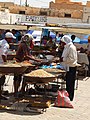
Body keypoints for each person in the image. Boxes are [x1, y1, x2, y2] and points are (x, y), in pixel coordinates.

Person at [60, 35, 78, 101]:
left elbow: (72, 59)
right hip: (68, 67)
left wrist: (63, 59)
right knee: (68, 83)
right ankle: (67, 96)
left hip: (71, 67)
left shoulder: (72, 47)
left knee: (70, 83)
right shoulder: (67, 47)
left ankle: (70, 97)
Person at [0, 32, 16, 100]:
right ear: (8, 38)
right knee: (1, 80)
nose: (12, 40)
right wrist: (5, 63)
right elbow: (3, 54)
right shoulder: (6, 44)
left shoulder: (1, 42)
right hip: (0, 63)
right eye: (11, 39)